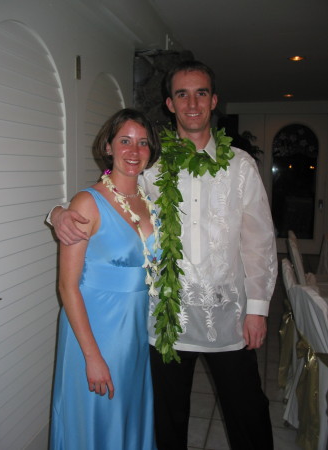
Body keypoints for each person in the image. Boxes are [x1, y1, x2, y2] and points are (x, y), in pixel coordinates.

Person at [48, 61, 277, 450]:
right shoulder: (152, 168)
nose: (192, 103)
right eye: (182, 95)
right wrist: (56, 214)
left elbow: (259, 241)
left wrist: (257, 308)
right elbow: (105, 197)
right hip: (165, 321)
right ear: (170, 104)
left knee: (248, 412)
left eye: (201, 93)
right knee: (167, 420)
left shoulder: (241, 167)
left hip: (229, 317)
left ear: (214, 101)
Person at [49, 108, 161, 450]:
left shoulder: (150, 201)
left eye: (142, 143)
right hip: (96, 331)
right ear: (108, 147)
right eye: (124, 141)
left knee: (127, 413)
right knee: (98, 419)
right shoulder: (87, 203)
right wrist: (92, 357)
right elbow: (67, 286)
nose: (134, 150)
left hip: (135, 332)